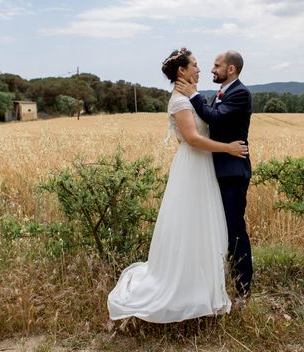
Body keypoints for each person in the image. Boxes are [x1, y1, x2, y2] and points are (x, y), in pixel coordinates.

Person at [107, 48, 248, 323]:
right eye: (194, 65)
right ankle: (186, 290)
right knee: (191, 225)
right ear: (181, 71)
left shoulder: (192, 98)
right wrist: (227, 148)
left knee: (207, 225)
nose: (200, 69)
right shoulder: (180, 102)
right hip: (194, 166)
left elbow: (210, 118)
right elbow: (193, 139)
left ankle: (206, 286)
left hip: (204, 167)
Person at [175, 50, 253, 302]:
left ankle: (243, 289)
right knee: (216, 228)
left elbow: (216, 118)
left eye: (217, 65)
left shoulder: (240, 93)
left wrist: (194, 96)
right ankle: (215, 280)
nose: (211, 69)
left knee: (234, 230)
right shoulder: (221, 93)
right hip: (213, 170)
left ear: (231, 69)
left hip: (232, 171)